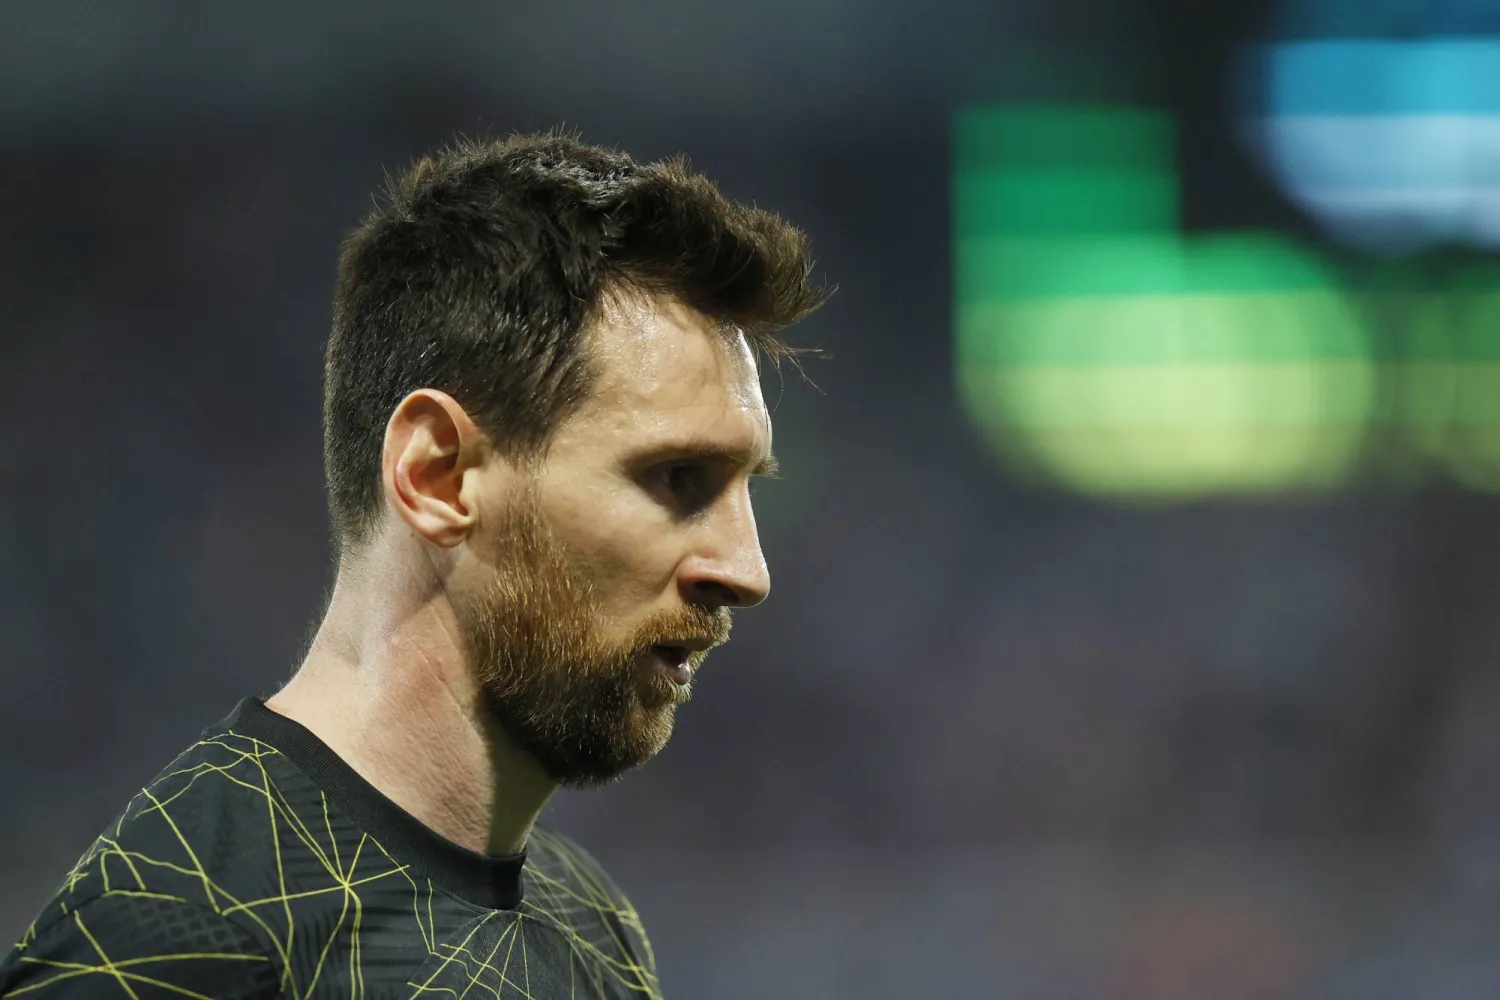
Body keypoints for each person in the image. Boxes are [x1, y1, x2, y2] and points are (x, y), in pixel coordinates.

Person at [0, 132, 827, 999]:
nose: (747, 568)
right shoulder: (178, 934)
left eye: (746, 489)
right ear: (437, 475)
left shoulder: (591, 921)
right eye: (677, 479)